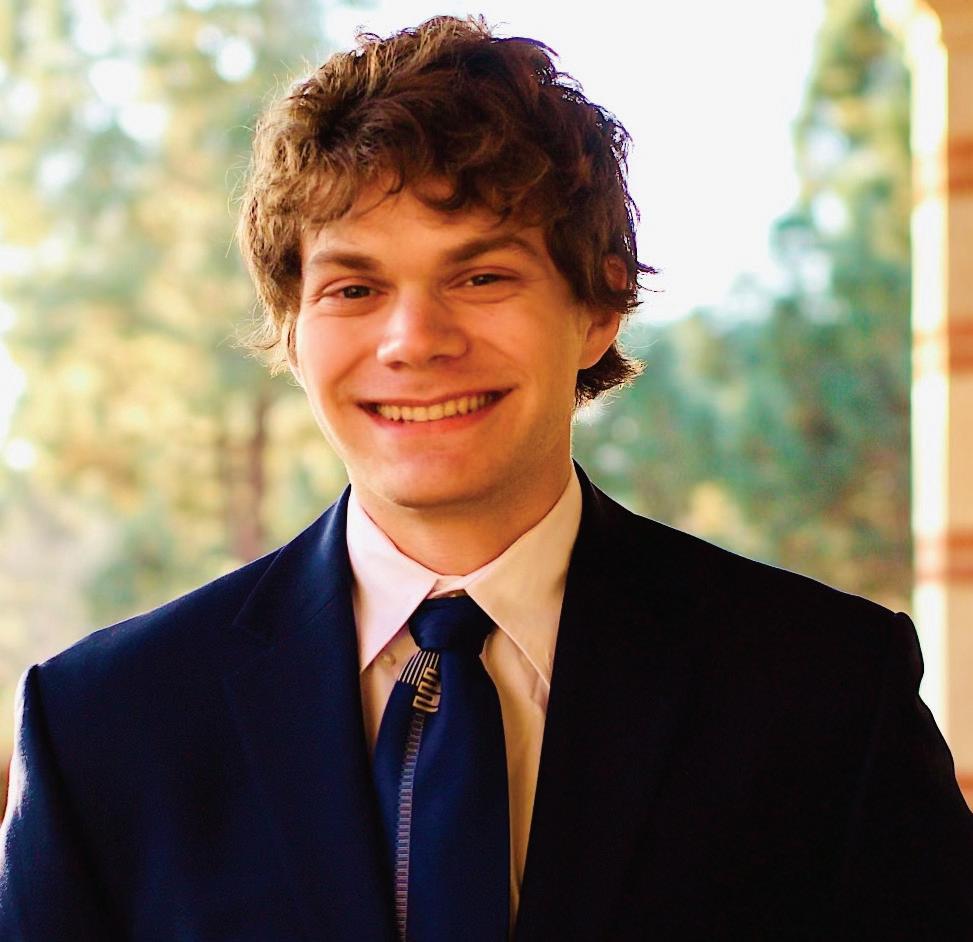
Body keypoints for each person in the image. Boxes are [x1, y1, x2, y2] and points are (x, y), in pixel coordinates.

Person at [2, 15, 971, 941]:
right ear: (292, 334)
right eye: (354, 288)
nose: (414, 340)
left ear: (599, 305)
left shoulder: (827, 692)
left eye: (481, 277)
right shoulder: (102, 726)